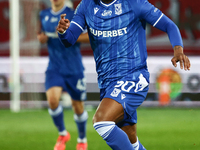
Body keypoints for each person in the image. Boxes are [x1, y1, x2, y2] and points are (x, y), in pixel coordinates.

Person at [56, 0, 191, 149]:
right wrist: (63, 32)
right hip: (107, 83)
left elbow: (169, 25)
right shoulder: (86, 5)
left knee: (102, 121)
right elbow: (70, 39)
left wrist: (178, 49)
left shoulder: (134, 3)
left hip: (133, 77)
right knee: (131, 141)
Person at [37, 0, 89, 150]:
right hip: (54, 67)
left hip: (74, 68)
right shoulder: (43, 14)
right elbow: (42, 35)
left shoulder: (74, 14)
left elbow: (89, 36)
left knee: (78, 107)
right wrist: (42, 39)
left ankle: (82, 139)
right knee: (52, 100)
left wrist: (68, 35)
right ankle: (62, 134)